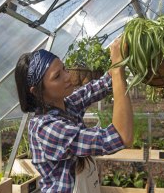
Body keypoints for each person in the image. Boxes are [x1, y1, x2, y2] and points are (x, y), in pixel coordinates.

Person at [14, 37, 133, 193]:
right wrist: (118, 70)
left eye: (64, 69)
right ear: (37, 91)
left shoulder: (66, 104)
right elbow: (121, 137)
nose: (68, 76)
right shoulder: (46, 128)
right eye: (57, 76)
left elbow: (103, 84)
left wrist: (123, 53)